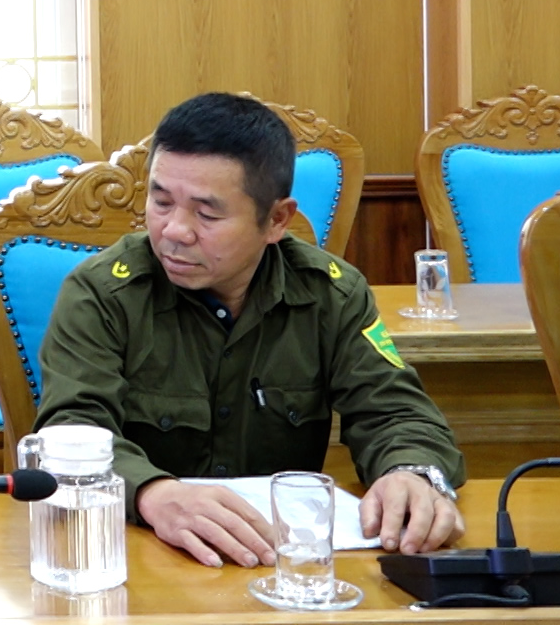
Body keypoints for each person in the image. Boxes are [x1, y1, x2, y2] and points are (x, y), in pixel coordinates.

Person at [35, 92, 466, 568]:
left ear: (276, 220)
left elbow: (396, 412)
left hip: (282, 564)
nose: (174, 230)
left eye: (206, 214)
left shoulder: (330, 296)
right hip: (138, 553)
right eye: (161, 201)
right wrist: (151, 492)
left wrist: (410, 473)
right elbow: (70, 429)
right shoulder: (101, 294)